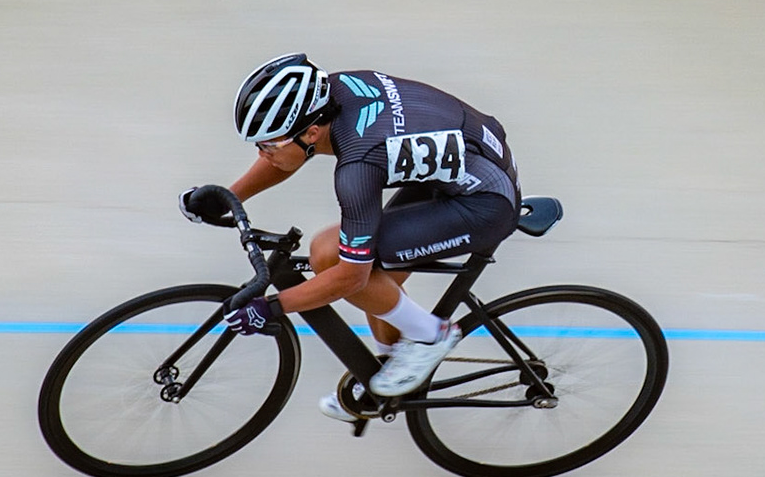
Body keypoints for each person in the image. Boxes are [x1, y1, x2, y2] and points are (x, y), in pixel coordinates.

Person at [179, 54, 522, 408]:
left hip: (486, 204)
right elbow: (286, 156)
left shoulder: (358, 165)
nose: (262, 153)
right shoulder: (330, 97)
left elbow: (350, 278)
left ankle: (433, 336)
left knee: (330, 254)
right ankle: (390, 371)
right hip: (462, 163)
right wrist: (228, 197)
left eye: (268, 144)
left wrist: (270, 307)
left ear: (312, 133)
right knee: (376, 282)